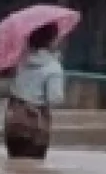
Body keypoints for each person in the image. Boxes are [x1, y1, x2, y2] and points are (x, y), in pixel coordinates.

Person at [4, 23, 65, 160]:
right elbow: (55, 99)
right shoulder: (53, 67)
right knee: (33, 172)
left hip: (14, 123)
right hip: (35, 126)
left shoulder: (20, 61)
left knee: (15, 167)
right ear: (50, 41)